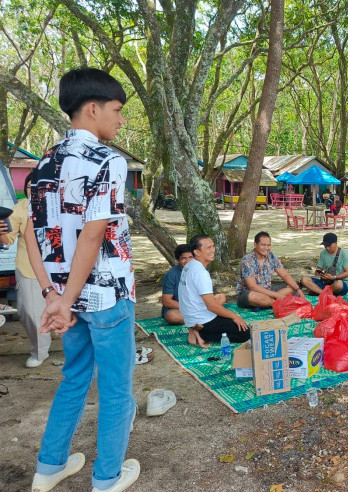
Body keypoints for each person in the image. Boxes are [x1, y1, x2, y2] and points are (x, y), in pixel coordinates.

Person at [25, 68, 140, 491]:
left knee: (74, 376)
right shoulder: (108, 161)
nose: (120, 120)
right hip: (106, 295)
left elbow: (29, 234)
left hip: (65, 298)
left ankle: (49, 467)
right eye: (117, 111)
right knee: (115, 389)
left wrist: (54, 296)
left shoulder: (42, 164)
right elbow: (94, 234)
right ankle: (107, 477)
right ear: (92, 108)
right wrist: (68, 296)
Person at [0, 173, 49, 368]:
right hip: (29, 269)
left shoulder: (60, 206)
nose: (34, 190)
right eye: (30, 187)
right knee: (29, 311)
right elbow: (8, 240)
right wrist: (1, 232)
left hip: (60, 269)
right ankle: (40, 352)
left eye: (39, 186)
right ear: (25, 189)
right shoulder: (19, 209)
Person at [178, 235, 250, 348]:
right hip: (202, 320)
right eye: (208, 248)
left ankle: (195, 328)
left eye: (213, 246)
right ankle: (203, 334)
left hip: (191, 317)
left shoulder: (190, 265)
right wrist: (234, 316)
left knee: (220, 298)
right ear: (197, 252)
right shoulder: (200, 272)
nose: (212, 250)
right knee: (245, 333)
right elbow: (212, 306)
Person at [161, 244, 226, 325]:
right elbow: (167, 302)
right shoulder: (171, 275)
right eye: (184, 258)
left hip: (201, 306)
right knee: (172, 316)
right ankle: (207, 318)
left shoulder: (199, 270)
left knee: (221, 297)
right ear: (178, 260)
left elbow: (206, 295)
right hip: (180, 308)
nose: (188, 261)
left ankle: (202, 318)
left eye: (191, 257)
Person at [236, 231, 303, 309]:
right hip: (249, 293)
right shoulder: (247, 260)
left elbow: (285, 275)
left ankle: (267, 303)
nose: (266, 248)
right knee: (253, 297)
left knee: (293, 286)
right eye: (263, 245)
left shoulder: (271, 256)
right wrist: (277, 295)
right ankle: (278, 303)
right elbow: (253, 287)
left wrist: (298, 290)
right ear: (255, 244)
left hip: (268, 290)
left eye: (268, 245)